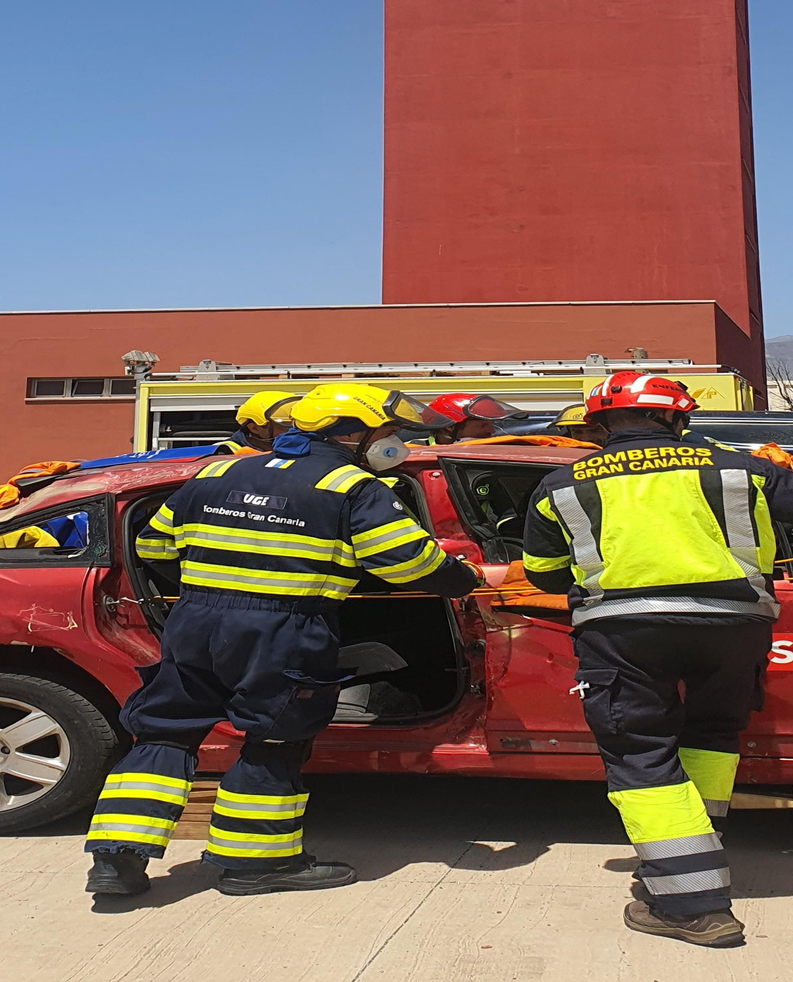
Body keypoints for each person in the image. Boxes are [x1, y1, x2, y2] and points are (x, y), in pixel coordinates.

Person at [520, 371, 793, 948]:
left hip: (622, 633)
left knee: (641, 753)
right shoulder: (740, 467)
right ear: (678, 418)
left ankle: (690, 905)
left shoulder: (560, 485)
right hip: (734, 626)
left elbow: (542, 574)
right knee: (712, 732)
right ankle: (695, 852)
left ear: (598, 425)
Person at [82, 382, 481, 899]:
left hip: (196, 623)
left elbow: (154, 543)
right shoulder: (354, 487)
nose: (396, 442)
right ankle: (254, 865)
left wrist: (226, 573)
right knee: (274, 738)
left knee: (165, 731)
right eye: (390, 432)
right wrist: (464, 577)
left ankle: (116, 860)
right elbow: (407, 564)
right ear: (353, 433)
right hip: (285, 630)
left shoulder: (222, 470)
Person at [416, 392, 525, 444]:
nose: (491, 431)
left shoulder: (496, 454)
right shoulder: (412, 453)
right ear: (450, 426)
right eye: (483, 425)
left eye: (491, 424)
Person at [230, 389, 299, 451]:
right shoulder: (226, 453)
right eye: (285, 426)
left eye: (297, 426)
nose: (294, 431)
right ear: (254, 428)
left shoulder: (297, 450)